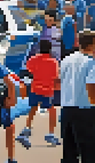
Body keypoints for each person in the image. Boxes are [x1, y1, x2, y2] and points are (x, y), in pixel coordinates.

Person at [15, 40, 61, 148]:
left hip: (35, 88)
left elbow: (28, 71)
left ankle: (27, 128)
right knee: (52, 110)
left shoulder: (33, 59)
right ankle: (50, 133)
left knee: (33, 109)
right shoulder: (53, 62)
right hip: (48, 89)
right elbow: (55, 77)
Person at [58, 31, 95, 162]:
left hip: (67, 109)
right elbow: (91, 85)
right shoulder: (92, 62)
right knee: (89, 151)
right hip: (86, 109)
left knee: (69, 152)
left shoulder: (66, 60)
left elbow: (58, 82)